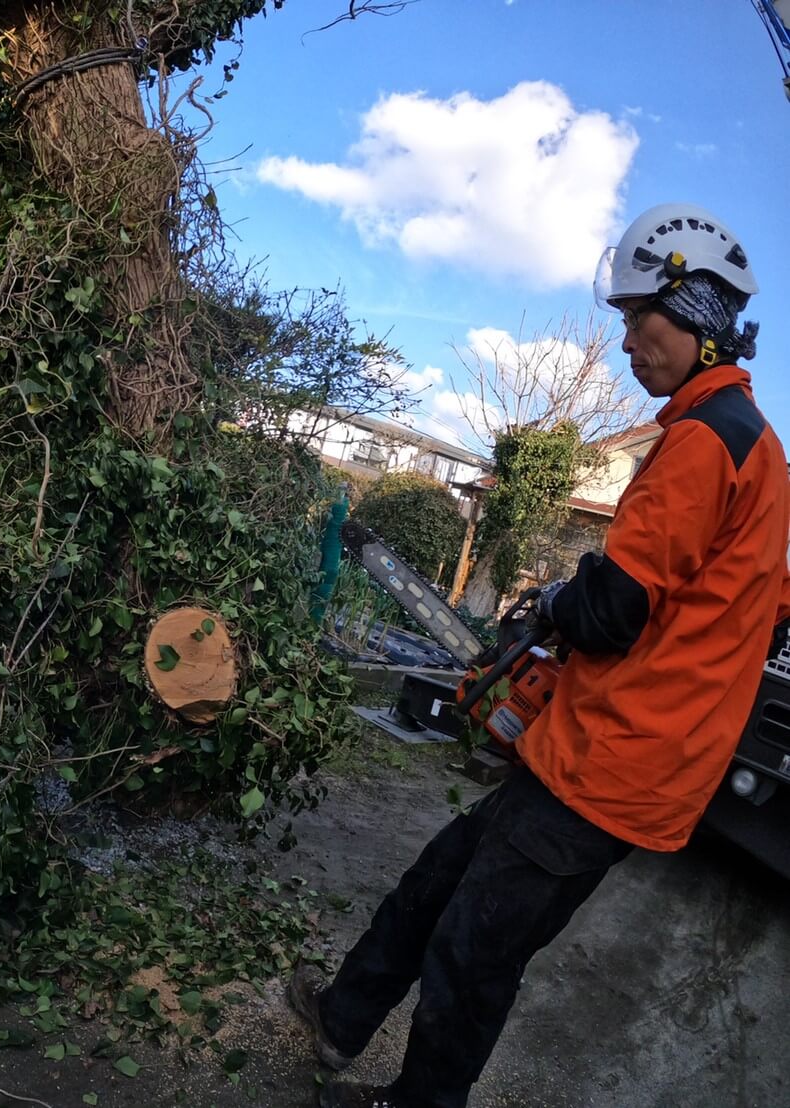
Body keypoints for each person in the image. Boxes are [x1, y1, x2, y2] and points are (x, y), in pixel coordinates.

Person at [289, 203, 790, 1108]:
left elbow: (611, 610)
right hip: (592, 747)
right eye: (628, 319)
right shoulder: (741, 447)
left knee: (474, 953)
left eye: (643, 318)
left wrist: (558, 601)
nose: (629, 339)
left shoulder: (708, 442)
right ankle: (340, 1018)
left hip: (618, 766)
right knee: (436, 881)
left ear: (702, 316)